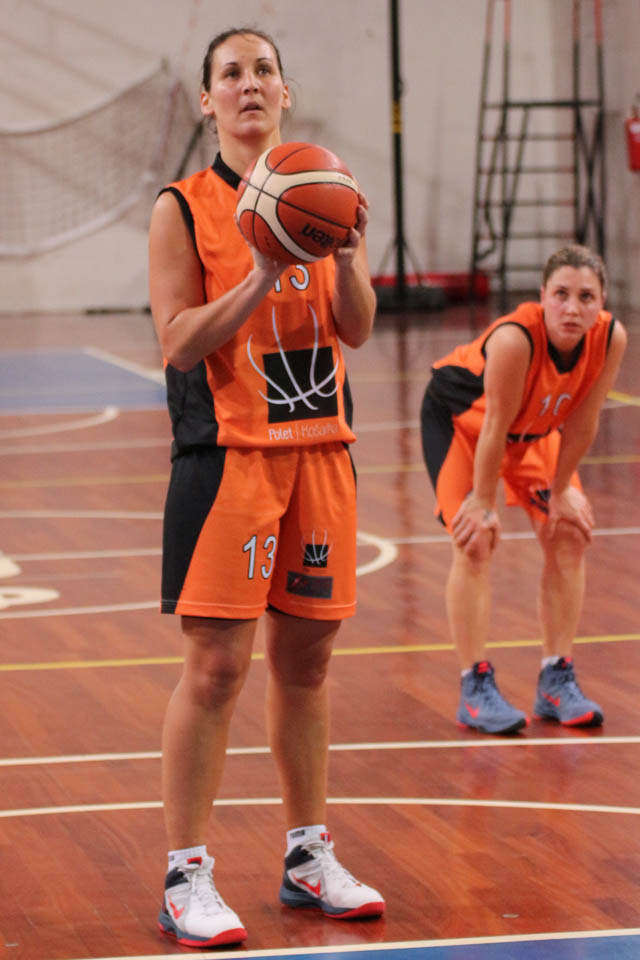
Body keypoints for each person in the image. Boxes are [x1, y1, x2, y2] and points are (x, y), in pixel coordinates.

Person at [148, 26, 384, 949]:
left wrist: (349, 261)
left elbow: (355, 330)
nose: (249, 84)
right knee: (216, 668)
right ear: (208, 100)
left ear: (286, 91)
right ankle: (186, 874)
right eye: (231, 74)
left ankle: (307, 855)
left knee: (308, 665)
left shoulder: (327, 189)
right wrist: (261, 274)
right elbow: (178, 342)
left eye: (264, 71)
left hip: (321, 451)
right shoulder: (183, 205)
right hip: (228, 459)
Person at [420, 244, 627, 736]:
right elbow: (494, 425)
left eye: (586, 297)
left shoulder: (609, 338)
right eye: (561, 294)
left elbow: (584, 419)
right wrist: (482, 501)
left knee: (569, 532)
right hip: (465, 429)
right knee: (476, 539)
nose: (572, 308)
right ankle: (474, 687)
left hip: (534, 435)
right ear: (542, 296)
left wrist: (562, 489)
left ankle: (557, 680)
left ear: (601, 303)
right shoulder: (516, 339)